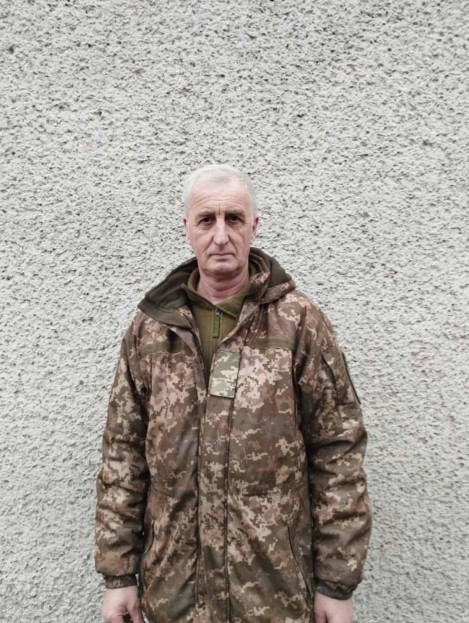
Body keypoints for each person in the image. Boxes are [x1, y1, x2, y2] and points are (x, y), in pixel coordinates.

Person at [95, 165, 372, 623]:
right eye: (207, 220)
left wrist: (336, 585)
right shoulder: (151, 330)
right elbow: (123, 454)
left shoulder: (298, 323)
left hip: (275, 595)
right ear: (187, 228)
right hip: (172, 594)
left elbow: (337, 451)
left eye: (234, 219)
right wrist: (118, 576)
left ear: (254, 226)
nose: (220, 235)